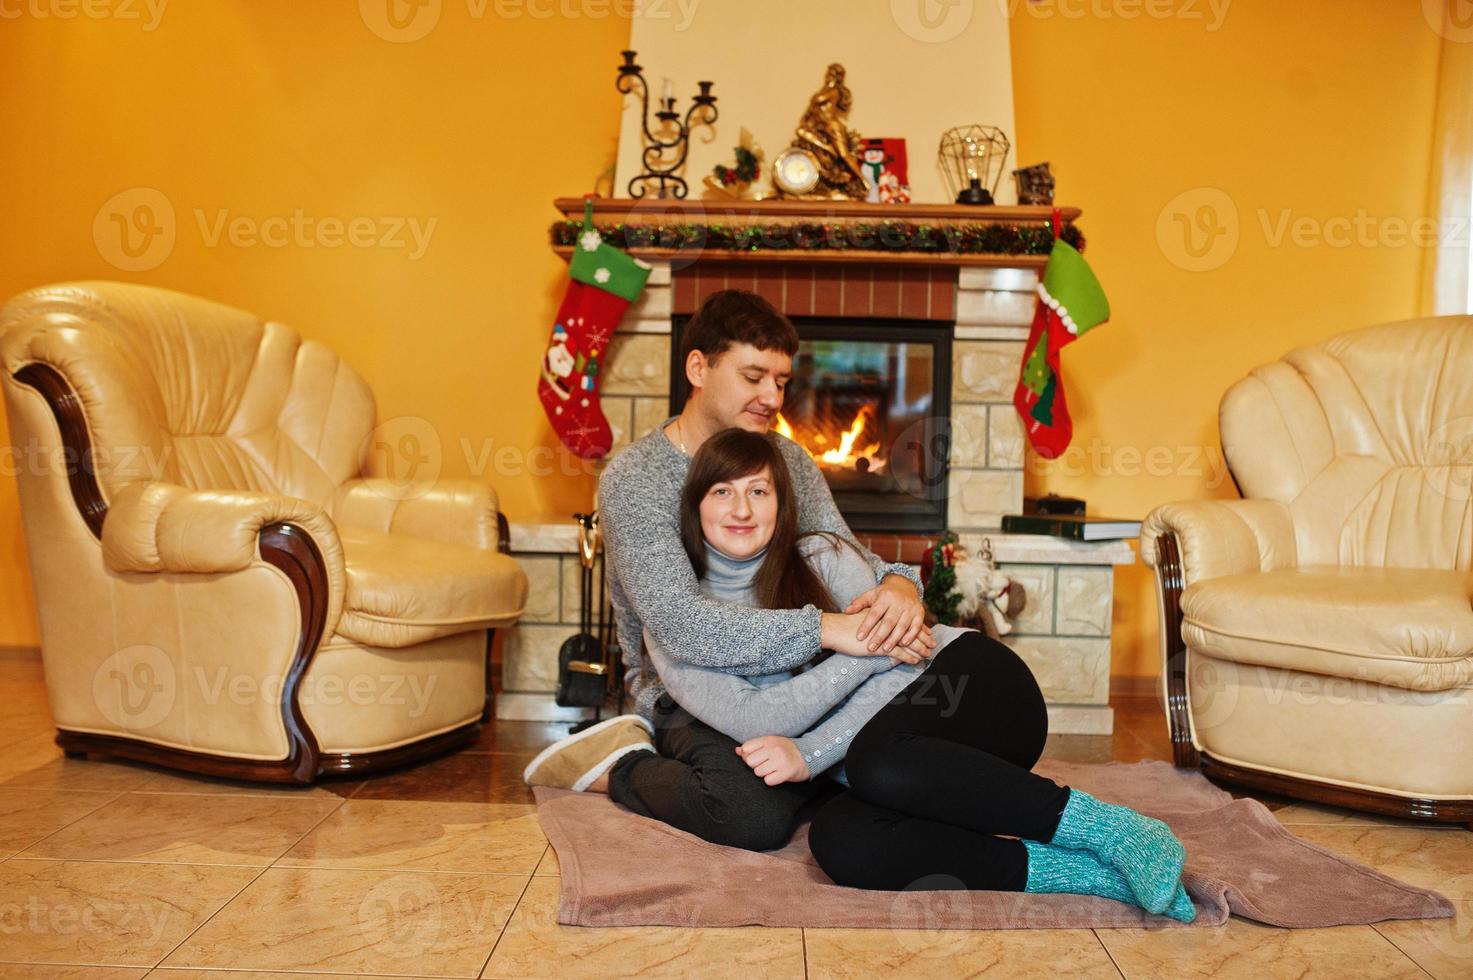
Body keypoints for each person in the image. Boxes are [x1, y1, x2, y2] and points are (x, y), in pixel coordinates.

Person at [586, 428, 1195, 919]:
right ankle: (1086, 874)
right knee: (844, 843)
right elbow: (755, 717)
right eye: (722, 492)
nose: (741, 508)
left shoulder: (820, 555)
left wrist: (815, 745)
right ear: (694, 507)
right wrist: (866, 648)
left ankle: (1117, 831)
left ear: (782, 503)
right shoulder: (678, 623)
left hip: (974, 689)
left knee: (877, 756)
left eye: (760, 491)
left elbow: (920, 653)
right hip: (906, 765)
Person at [524, 290, 932, 851]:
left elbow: (840, 552)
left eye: (782, 381)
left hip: (795, 680)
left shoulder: (787, 458)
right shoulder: (636, 479)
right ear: (698, 367)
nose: (772, 396)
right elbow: (682, 626)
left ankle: (808, 776)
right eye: (754, 376)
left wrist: (898, 585)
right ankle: (619, 764)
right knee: (749, 814)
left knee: (909, 767)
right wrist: (827, 630)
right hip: (688, 687)